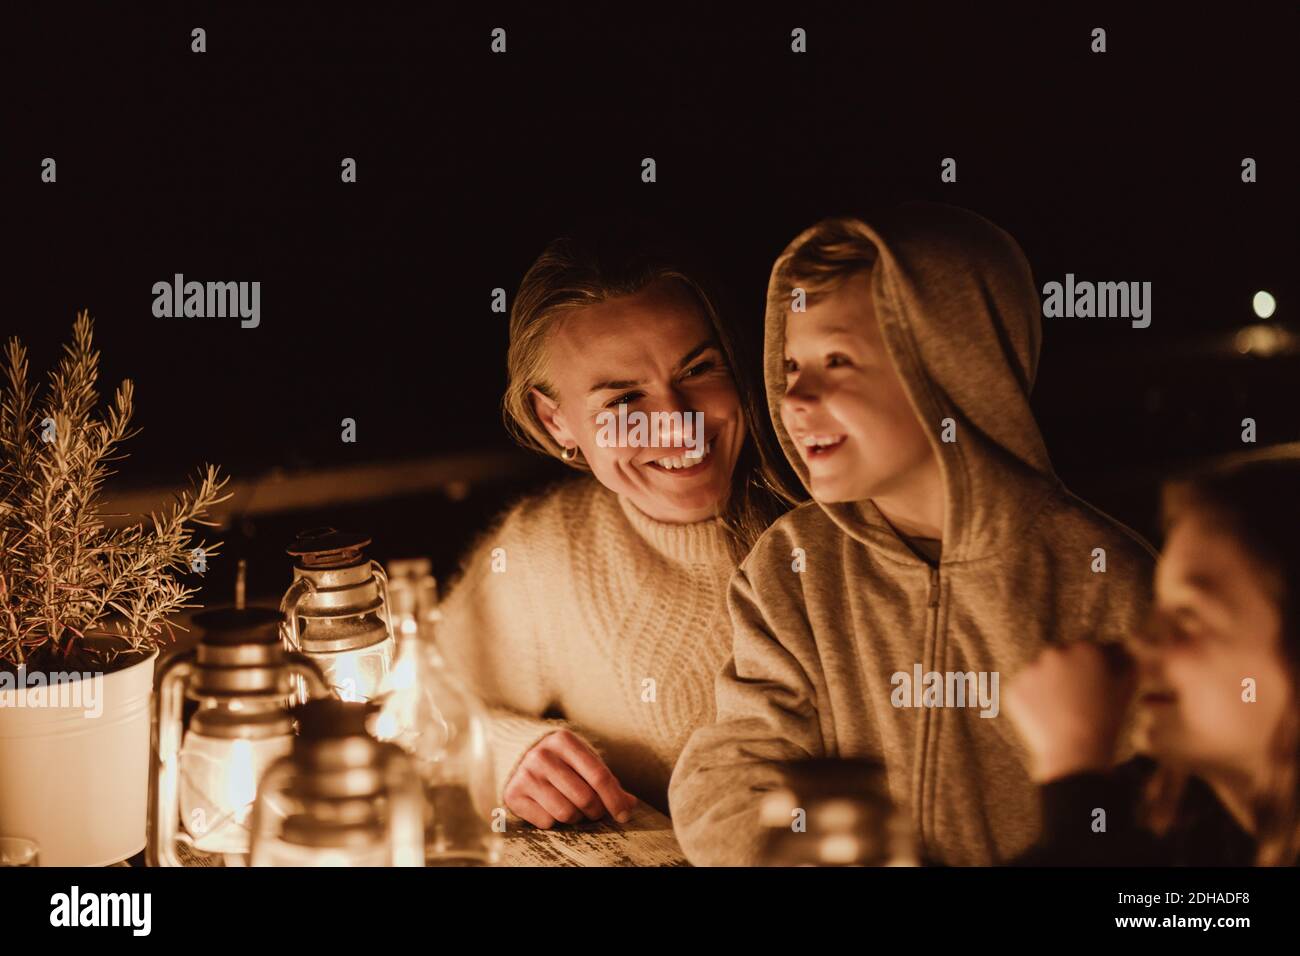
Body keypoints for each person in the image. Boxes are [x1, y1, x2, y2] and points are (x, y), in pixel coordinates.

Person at [669, 203, 1155, 865]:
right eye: (788, 366)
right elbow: (728, 777)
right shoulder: (792, 567)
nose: (795, 399)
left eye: (837, 360)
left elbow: (1156, 827)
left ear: (954, 368)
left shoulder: (1107, 581)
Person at [436, 230, 793, 828]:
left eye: (700, 369)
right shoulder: (544, 553)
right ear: (556, 421)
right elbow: (415, 711)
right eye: (625, 399)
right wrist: (505, 752)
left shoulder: (832, 519)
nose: (678, 426)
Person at [1007, 451, 1300, 866]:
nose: (1139, 643)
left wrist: (1072, 763)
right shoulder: (1181, 821)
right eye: (1156, 612)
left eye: (1187, 616)